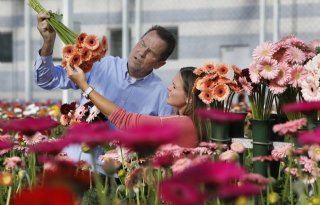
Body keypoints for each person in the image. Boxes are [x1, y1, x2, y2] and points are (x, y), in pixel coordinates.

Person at [34, 12, 176, 166]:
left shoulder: (162, 95)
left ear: (160, 64)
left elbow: (164, 145)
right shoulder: (99, 64)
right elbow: (46, 80)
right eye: (142, 44)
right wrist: (48, 43)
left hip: (120, 177)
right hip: (76, 162)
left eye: (151, 53)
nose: (141, 53)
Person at [66, 65, 208, 147]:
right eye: (171, 83)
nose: (169, 88)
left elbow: (124, 119)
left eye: (175, 87)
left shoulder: (182, 123)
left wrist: (84, 85)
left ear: (189, 99)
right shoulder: (190, 122)